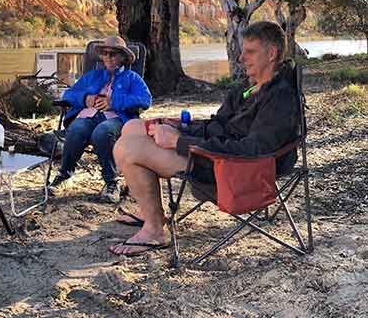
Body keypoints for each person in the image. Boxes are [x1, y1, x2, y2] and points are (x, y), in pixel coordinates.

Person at [110, 21, 300, 256]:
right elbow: (218, 124)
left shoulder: (280, 97)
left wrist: (180, 142)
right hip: (218, 154)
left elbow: (254, 150)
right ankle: (152, 213)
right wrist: (182, 126)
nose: (241, 58)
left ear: (271, 54)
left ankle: (155, 230)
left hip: (236, 169)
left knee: (127, 149)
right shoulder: (249, 87)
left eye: (250, 52)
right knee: (133, 127)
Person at [53, 35, 152, 203]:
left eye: (113, 54)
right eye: (105, 54)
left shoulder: (132, 78)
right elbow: (69, 94)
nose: (108, 57)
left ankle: (111, 182)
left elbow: (145, 100)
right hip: (88, 115)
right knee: (76, 129)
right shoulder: (93, 76)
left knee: (102, 131)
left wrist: (114, 102)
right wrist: (85, 98)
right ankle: (65, 176)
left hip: (116, 119)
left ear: (123, 57)